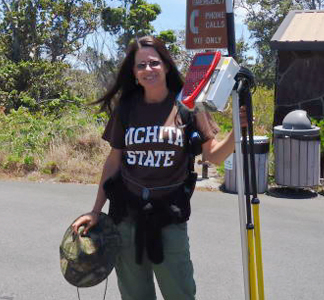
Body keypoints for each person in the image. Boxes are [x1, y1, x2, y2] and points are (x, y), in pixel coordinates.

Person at [71, 36, 248, 300]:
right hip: (126, 218)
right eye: (140, 66)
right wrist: (96, 211)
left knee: (181, 294)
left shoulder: (188, 106)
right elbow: (114, 161)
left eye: (153, 63)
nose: (147, 70)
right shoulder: (127, 108)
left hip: (169, 219)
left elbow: (214, 156)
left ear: (166, 66)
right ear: (133, 72)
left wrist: (237, 132)